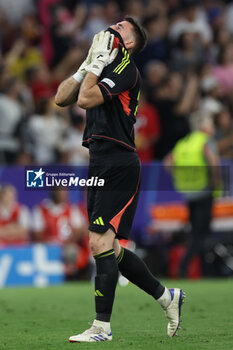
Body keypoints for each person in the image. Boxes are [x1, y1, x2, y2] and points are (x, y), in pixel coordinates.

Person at [55, 17, 185, 343]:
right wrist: (85, 66)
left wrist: (96, 64)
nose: (116, 25)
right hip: (97, 161)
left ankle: (102, 328)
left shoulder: (126, 68)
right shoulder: (100, 63)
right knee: (108, 248)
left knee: (99, 242)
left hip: (119, 162)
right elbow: (61, 98)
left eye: (124, 27)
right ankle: (166, 297)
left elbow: (84, 100)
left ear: (128, 43)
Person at [164, 110, 220, 277]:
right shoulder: (205, 141)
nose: (212, 127)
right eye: (210, 123)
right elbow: (214, 162)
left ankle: (202, 270)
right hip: (204, 191)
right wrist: (214, 180)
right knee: (201, 233)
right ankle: (185, 265)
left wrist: (180, 176)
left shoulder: (184, 142)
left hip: (188, 193)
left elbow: (168, 163)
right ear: (203, 126)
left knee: (196, 231)